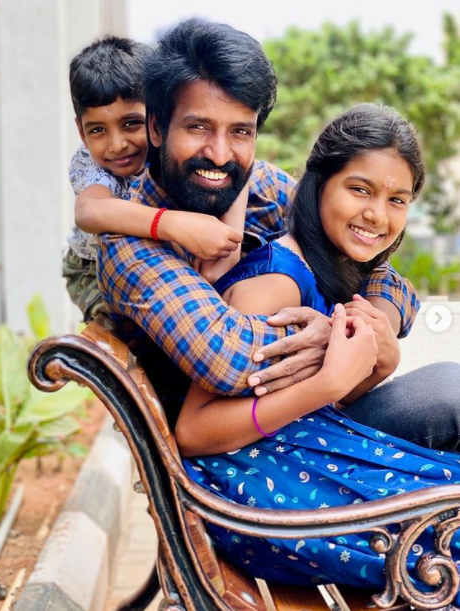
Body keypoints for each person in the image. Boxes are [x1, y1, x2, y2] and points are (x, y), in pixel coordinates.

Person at [97, 19, 460, 445]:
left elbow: (375, 265)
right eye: (198, 127)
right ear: (157, 128)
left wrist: (374, 330)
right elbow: (229, 356)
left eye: (240, 132)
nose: (219, 152)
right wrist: (342, 337)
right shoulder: (129, 242)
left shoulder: (257, 185)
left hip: (301, 422)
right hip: (244, 460)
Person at [175, 104, 460, 598]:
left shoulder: (333, 268)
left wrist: (375, 369)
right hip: (261, 499)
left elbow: (309, 400)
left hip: (300, 459)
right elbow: (193, 431)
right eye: (360, 189)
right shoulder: (277, 285)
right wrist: (331, 382)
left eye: (397, 199)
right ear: (318, 183)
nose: (378, 214)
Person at [63, 35, 244, 322]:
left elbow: (239, 176)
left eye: (130, 123)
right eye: (97, 130)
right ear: (81, 132)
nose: (117, 144)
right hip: (93, 267)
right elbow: (89, 211)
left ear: (156, 120)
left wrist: (230, 250)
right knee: (126, 337)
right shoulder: (92, 166)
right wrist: (171, 224)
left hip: (161, 252)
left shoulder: (172, 147)